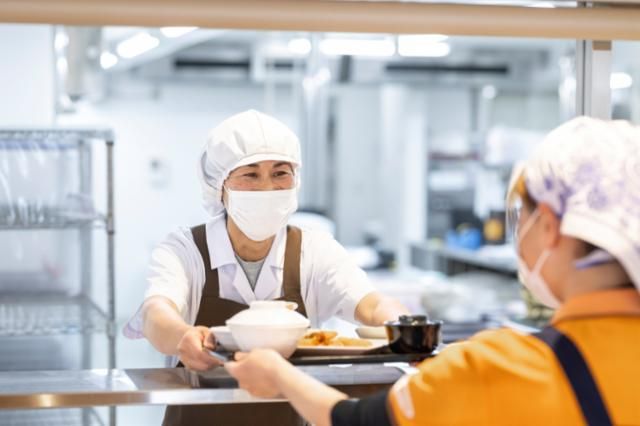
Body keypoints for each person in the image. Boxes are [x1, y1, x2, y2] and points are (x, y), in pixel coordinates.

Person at [226, 116, 640, 426]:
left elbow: (354, 420)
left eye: (525, 215)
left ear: (549, 227)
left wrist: (278, 375)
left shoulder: (496, 368)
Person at [123, 109, 410, 426]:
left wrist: (406, 327)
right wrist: (183, 337)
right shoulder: (186, 249)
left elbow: (371, 304)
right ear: (219, 185)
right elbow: (156, 313)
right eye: (250, 174)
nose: (267, 188)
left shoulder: (314, 250)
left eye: (280, 173)